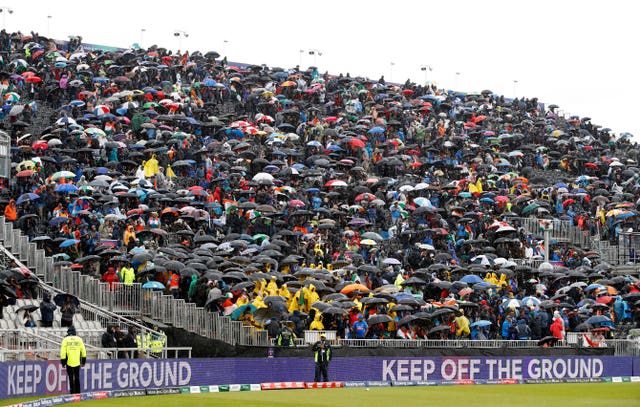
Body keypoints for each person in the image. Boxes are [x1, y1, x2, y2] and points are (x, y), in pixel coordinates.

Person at [60, 325, 86, 394]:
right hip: (77, 362)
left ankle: (72, 392)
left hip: (69, 362)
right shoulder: (79, 339)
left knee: (71, 378)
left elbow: (63, 352)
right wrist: (83, 361)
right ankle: (78, 392)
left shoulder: (65, 339)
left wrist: (63, 362)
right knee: (77, 377)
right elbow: (83, 351)